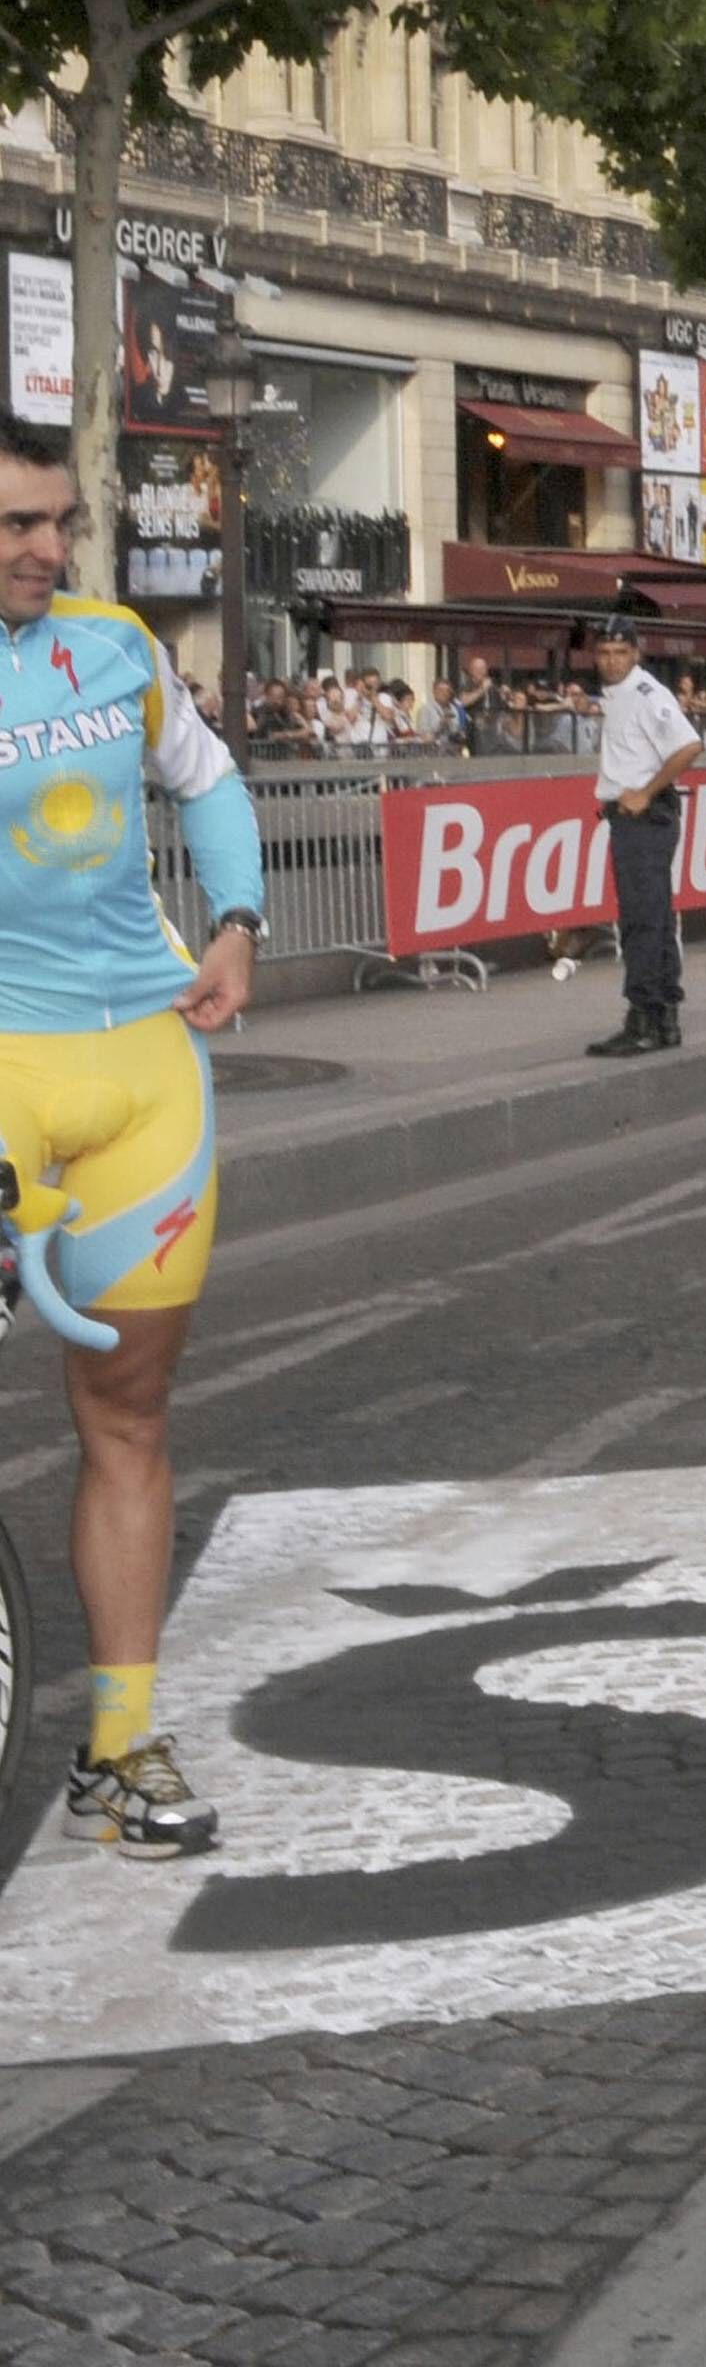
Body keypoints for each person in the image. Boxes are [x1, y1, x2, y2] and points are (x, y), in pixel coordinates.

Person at [0, 416, 265, 1856]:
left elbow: (210, 777)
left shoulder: (113, 646)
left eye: (59, 520)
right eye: (14, 526)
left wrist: (234, 925)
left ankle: (117, 1743)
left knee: (129, 1412)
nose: (46, 547)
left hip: (146, 1063)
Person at [582, 625, 701, 1058]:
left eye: (620, 651)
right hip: (638, 815)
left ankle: (643, 1018)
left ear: (636, 653)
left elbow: (689, 746)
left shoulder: (646, 693)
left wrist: (645, 792)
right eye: (605, 652)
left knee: (640, 920)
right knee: (656, 916)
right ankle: (665, 1014)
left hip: (643, 817)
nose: (612, 659)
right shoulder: (621, 695)